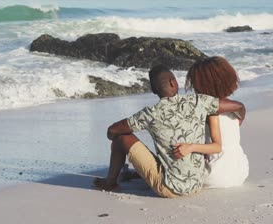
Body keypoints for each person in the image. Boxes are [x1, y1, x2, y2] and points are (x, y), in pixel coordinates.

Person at [93, 64, 246, 197]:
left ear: (153, 90)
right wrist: (241, 113)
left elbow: (112, 131)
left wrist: (116, 140)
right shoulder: (198, 101)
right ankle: (129, 174)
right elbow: (236, 105)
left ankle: (110, 183)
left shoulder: (149, 114)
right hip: (197, 184)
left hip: (169, 189)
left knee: (122, 138)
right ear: (174, 83)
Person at [183, 56, 249, 188]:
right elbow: (239, 109)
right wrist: (240, 106)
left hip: (215, 175)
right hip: (240, 171)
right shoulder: (233, 108)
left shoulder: (205, 109)